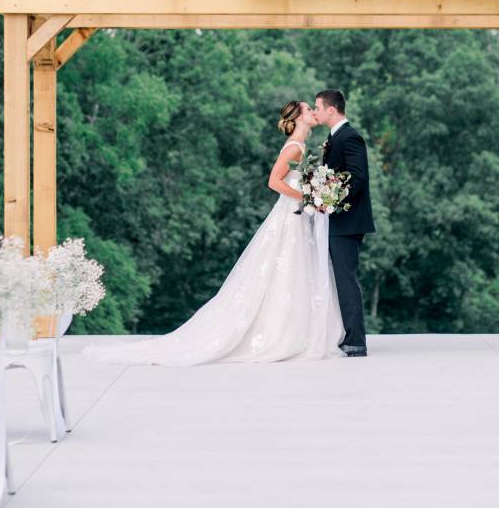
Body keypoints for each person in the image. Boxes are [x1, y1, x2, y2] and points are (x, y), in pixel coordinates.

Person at [83, 101, 344, 366]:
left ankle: (293, 330)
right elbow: (273, 181)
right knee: (285, 271)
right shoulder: (294, 147)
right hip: (290, 217)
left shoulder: (299, 146)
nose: (313, 111)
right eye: (308, 108)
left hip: (296, 218)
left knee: (292, 273)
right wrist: (306, 196)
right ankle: (280, 334)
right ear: (298, 118)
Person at [313, 89, 374, 357]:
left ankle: (356, 341)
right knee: (339, 278)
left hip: (347, 221)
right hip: (336, 221)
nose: (315, 111)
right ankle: (345, 335)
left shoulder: (350, 137)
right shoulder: (334, 137)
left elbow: (358, 178)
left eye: (318, 107)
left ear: (331, 109)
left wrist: (330, 199)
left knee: (345, 278)